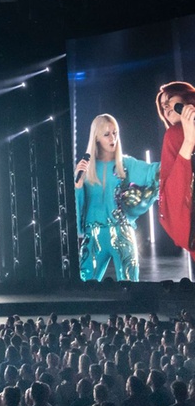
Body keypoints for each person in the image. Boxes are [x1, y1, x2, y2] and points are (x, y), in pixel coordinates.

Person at [74, 114, 159, 282]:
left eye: (115, 133)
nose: (113, 138)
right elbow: (78, 206)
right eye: (106, 134)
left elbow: (154, 172)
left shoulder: (126, 164)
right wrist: (78, 184)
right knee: (85, 285)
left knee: (129, 285)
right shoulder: (86, 169)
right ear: (96, 138)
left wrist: (181, 159)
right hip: (94, 234)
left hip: (122, 233)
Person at [155, 82, 195, 253]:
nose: (165, 107)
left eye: (169, 99)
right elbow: (173, 191)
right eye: (163, 106)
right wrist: (188, 142)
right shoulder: (173, 135)